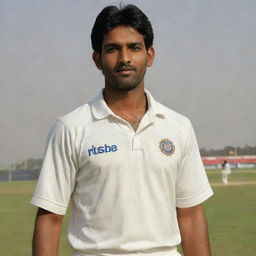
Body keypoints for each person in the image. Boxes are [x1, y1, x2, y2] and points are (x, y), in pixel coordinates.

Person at [31, 4, 214, 256]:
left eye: (134, 47)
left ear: (149, 56)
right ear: (97, 59)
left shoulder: (178, 126)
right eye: (113, 49)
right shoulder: (71, 127)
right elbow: (50, 218)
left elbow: (191, 214)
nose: (124, 58)